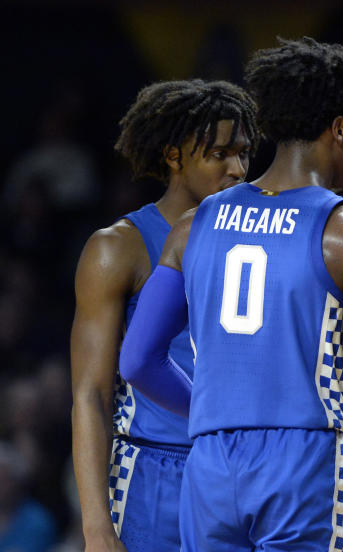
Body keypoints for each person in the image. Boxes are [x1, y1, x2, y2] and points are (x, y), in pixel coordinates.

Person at [117, 37, 343, 552]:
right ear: (339, 129)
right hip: (305, 466)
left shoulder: (191, 225)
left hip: (210, 466)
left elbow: (137, 360)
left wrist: (209, 412)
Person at [70, 79, 259, 551]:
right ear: (175, 157)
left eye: (244, 153)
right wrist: (96, 529)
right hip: (154, 468)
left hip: (244, 466)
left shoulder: (263, 237)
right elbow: (90, 394)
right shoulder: (119, 247)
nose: (238, 169)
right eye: (220, 155)